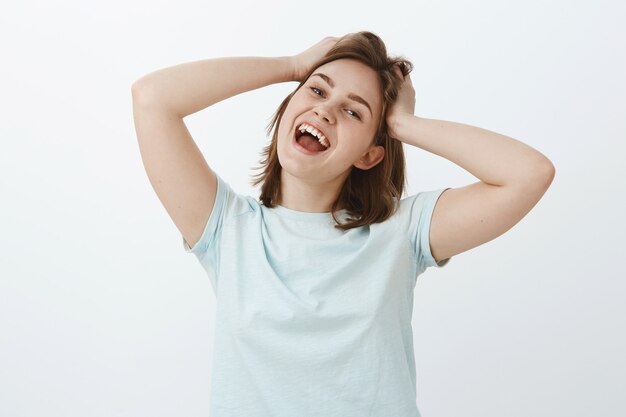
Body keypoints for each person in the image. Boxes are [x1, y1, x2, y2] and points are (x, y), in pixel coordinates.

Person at [131, 31, 555, 417]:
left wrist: (403, 124)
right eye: (316, 90)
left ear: (370, 154)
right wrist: (292, 66)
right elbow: (152, 97)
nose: (326, 110)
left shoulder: (401, 233)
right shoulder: (227, 227)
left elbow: (528, 174)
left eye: (354, 112)